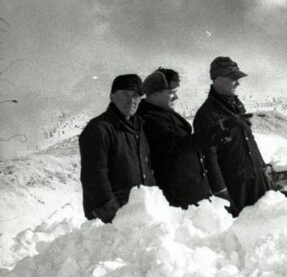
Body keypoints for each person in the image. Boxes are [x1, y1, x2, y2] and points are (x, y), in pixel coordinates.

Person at [139, 68, 231, 209]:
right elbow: (179, 144)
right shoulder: (149, 119)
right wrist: (217, 130)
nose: (176, 97)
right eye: (171, 92)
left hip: (191, 192)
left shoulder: (162, 113)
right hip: (180, 198)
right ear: (155, 94)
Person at [194, 57, 271, 216]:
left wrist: (262, 166)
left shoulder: (237, 105)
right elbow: (209, 158)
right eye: (234, 79)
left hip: (256, 178)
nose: (238, 83)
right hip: (237, 186)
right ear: (219, 80)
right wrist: (221, 191)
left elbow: (248, 139)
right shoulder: (207, 115)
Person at [79, 74, 156, 222]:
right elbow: (94, 176)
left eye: (136, 96)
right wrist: (114, 216)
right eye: (125, 94)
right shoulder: (99, 129)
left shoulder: (138, 128)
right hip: (113, 222)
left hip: (138, 215)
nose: (131, 100)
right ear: (112, 96)